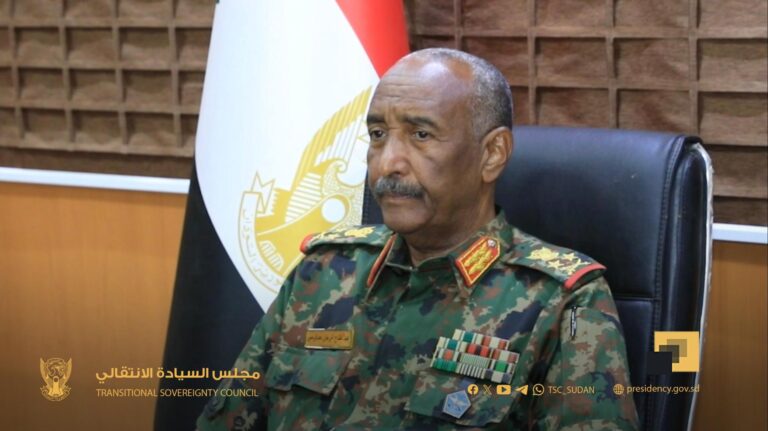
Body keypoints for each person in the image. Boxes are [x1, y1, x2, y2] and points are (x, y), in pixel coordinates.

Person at [196, 48, 639, 430]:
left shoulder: (562, 303)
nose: (388, 163)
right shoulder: (324, 271)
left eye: (421, 135)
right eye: (377, 135)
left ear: (492, 155)